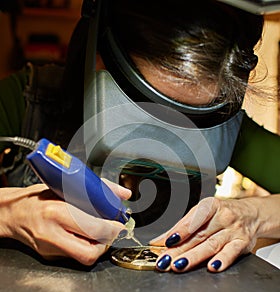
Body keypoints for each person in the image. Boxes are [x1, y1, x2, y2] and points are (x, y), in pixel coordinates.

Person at [0, 0, 280, 272]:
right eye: (143, 111)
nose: (161, 138)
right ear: (97, 56)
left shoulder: (227, 133)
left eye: (192, 121)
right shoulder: (23, 100)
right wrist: (10, 214)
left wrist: (253, 216)